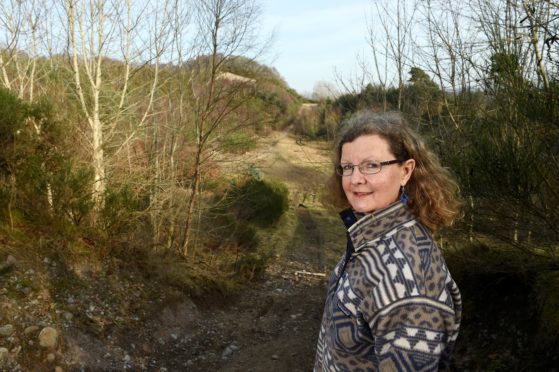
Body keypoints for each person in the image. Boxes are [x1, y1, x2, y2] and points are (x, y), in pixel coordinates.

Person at [314, 111, 462, 371]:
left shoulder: (412, 279)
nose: (355, 179)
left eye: (372, 165)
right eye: (347, 167)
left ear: (406, 171)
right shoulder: (369, 236)